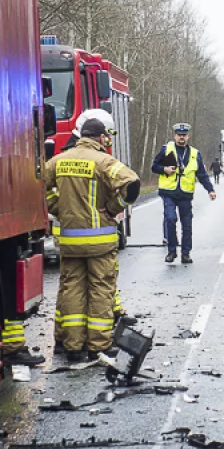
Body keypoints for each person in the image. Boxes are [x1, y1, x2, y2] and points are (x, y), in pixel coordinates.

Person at [45, 118, 141, 362]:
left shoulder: (58, 160)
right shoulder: (104, 161)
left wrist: (57, 207)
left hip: (69, 242)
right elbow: (132, 184)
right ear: (100, 137)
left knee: (72, 290)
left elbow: (37, 186)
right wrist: (111, 208)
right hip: (100, 241)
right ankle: (98, 345)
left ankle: (73, 346)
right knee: (100, 289)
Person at [152, 123, 216, 264]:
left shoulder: (194, 154)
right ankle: (171, 251)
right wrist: (164, 169)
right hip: (169, 192)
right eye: (179, 135)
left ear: (188, 136)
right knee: (170, 219)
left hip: (185, 195)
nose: (181, 137)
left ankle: (186, 253)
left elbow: (202, 174)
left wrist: (210, 190)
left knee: (186, 224)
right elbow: (154, 166)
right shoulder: (167, 150)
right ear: (174, 136)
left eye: (184, 135)